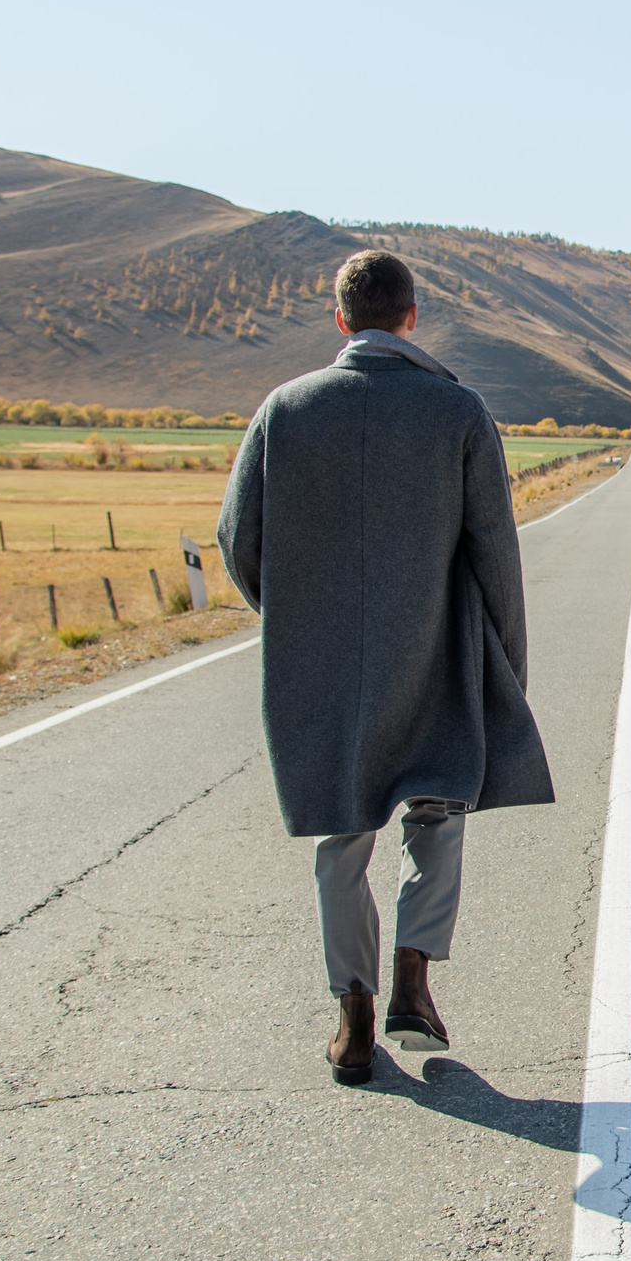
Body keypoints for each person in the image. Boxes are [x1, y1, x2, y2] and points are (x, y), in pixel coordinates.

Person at [218, 248, 553, 1084]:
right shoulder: (459, 412)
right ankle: (413, 978)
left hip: (323, 661)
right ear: (412, 317)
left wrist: (294, 617)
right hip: (436, 650)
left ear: (341, 321)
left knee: (342, 833)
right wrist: (506, 661)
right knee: (437, 808)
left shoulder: (283, 409)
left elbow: (237, 538)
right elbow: (495, 554)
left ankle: (354, 1018)